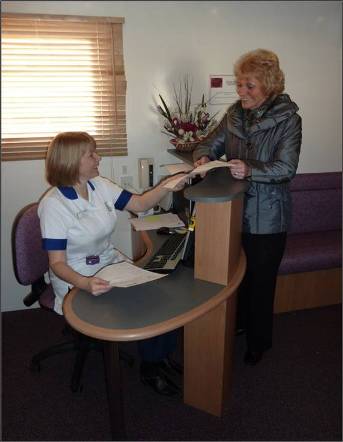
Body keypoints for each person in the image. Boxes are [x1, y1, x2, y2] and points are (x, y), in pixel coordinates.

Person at [38, 131, 188, 394]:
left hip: (109, 262)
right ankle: (150, 369)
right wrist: (84, 283)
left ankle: (160, 357)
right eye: (91, 154)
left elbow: (139, 204)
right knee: (143, 304)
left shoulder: (99, 186)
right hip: (78, 276)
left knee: (164, 292)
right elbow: (57, 264)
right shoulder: (54, 205)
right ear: (72, 161)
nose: (99, 157)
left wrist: (168, 184)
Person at [193, 49, 302, 366]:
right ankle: (239, 324)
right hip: (233, 212)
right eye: (240, 84)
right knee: (235, 277)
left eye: (249, 86)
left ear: (268, 86)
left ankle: (259, 343)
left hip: (269, 218)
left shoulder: (289, 120)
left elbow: (286, 168)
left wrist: (250, 169)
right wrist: (202, 155)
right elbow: (209, 143)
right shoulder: (234, 114)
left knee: (260, 282)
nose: (241, 92)